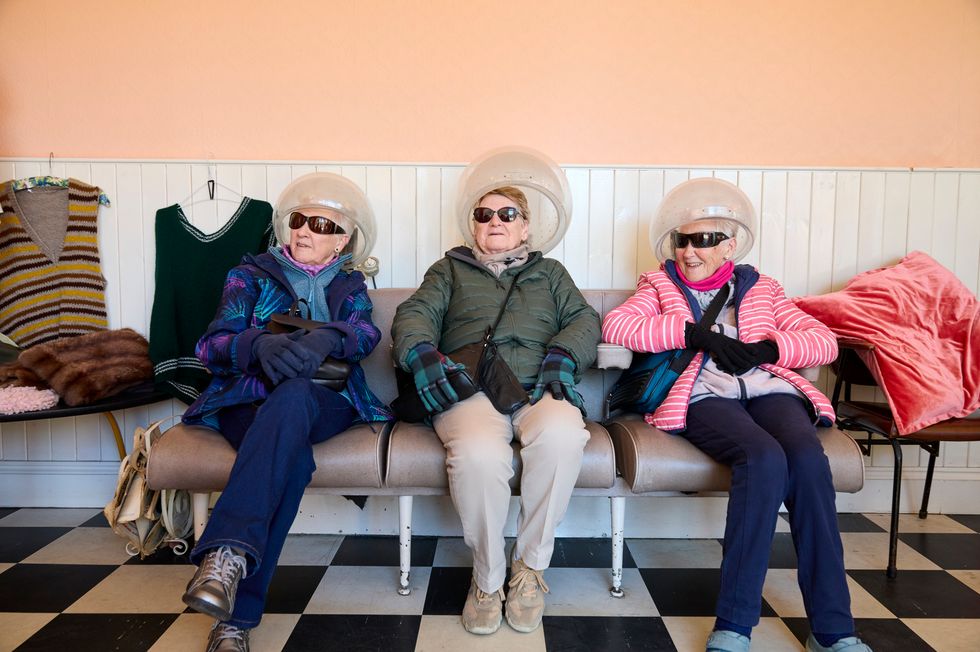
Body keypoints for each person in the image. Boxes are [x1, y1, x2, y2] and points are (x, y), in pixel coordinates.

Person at [602, 178, 872, 652]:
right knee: (763, 457)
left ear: (729, 244)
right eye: (682, 240)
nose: (689, 251)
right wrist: (695, 335)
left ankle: (833, 631)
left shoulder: (761, 288)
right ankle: (734, 624)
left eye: (704, 240)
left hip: (769, 393)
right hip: (703, 397)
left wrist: (770, 347)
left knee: (808, 460)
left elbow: (823, 341)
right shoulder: (659, 283)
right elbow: (618, 324)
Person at [179, 173, 392, 652]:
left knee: (295, 397)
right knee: (290, 461)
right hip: (248, 399)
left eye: (321, 224)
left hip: (325, 402)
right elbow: (210, 346)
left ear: (342, 239)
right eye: (298, 220)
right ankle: (234, 619)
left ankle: (225, 554)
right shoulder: (249, 275)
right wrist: (259, 344)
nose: (304, 231)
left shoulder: (350, 282)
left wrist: (330, 335)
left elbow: (366, 335)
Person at [391, 185, 600, 635]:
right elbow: (413, 314)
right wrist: (422, 352)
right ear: (473, 227)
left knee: (563, 436)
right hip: (472, 391)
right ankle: (486, 579)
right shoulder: (449, 269)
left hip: (539, 387)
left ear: (525, 226)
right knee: (480, 455)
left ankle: (528, 568)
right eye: (484, 214)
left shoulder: (551, 273)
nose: (496, 221)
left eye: (508, 213)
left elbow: (584, 319)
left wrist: (563, 355)